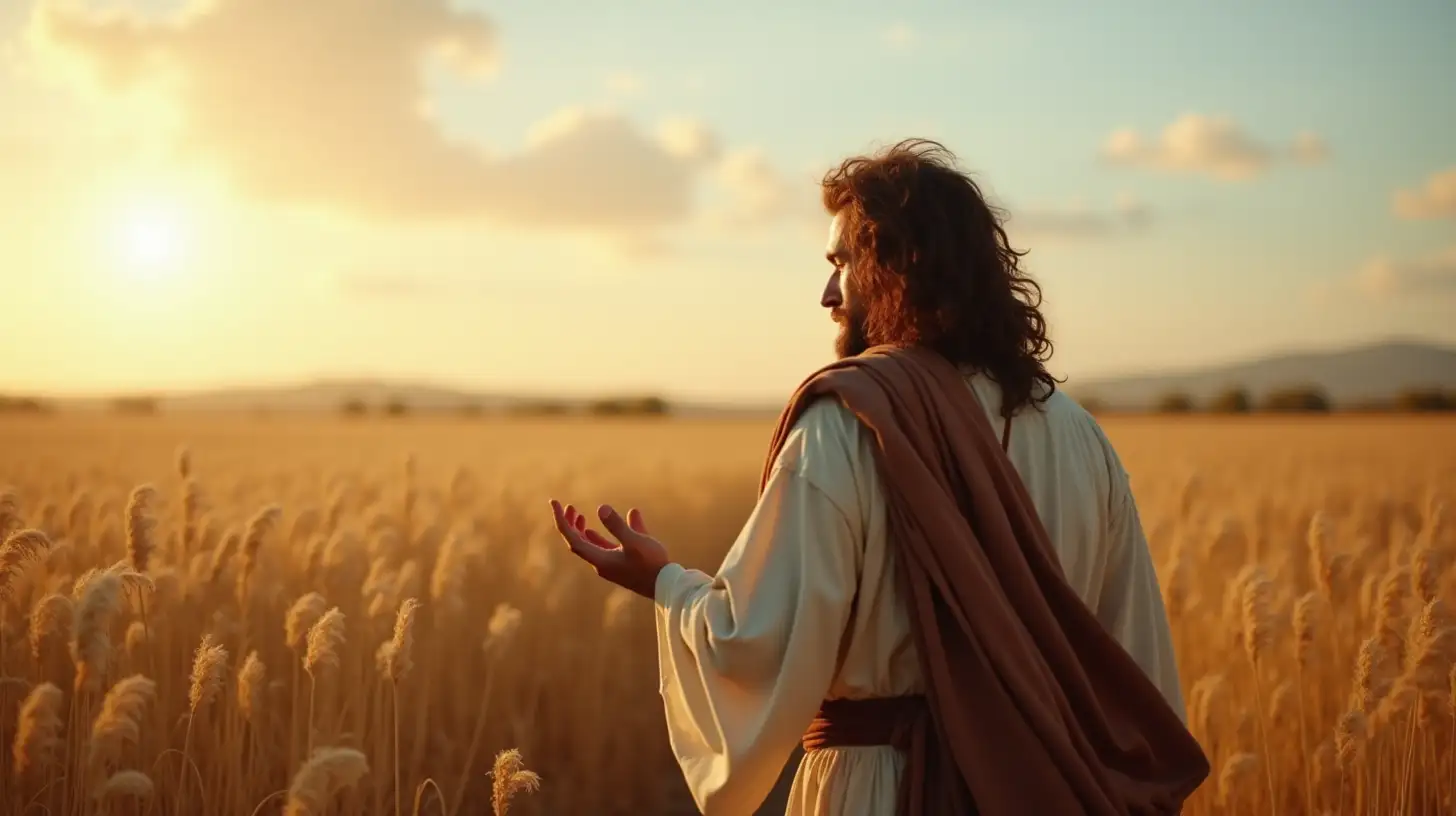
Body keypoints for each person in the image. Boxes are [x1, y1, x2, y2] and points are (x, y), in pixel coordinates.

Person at [549, 139, 1209, 815]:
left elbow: (756, 640)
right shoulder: (1082, 439)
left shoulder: (847, 426)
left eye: (843, 263)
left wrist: (665, 583)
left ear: (900, 267)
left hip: (879, 791)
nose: (828, 294)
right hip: (1044, 793)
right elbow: (1136, 678)